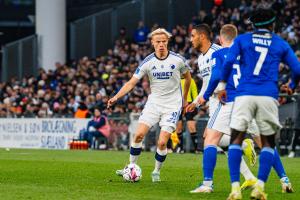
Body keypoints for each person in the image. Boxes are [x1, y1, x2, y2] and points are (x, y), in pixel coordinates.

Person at [201, 24, 294, 194]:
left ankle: (207, 184)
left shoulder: (219, 53)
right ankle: (284, 179)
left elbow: (215, 76)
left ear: (221, 39)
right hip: (251, 99)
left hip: (230, 102)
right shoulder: (248, 53)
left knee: (210, 138)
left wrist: (206, 96)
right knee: (266, 144)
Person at [218, 9, 300, 200]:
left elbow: (229, 62)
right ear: (272, 26)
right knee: (268, 144)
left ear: (253, 25)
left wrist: (222, 86)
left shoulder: (242, 40)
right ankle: (260, 188)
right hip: (268, 96)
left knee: (235, 141)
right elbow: (297, 69)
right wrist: (292, 85)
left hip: (244, 95)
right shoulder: (280, 43)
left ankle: (235, 189)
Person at [108, 28, 191, 182]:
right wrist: (116, 97)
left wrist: (184, 99)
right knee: (138, 135)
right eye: (158, 42)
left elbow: (188, 77)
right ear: (152, 43)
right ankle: (131, 167)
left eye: (164, 42)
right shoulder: (148, 62)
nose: (161, 44)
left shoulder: (178, 60)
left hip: (172, 105)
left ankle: (156, 171)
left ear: (167, 42)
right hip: (154, 103)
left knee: (162, 141)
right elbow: (132, 82)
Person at [175, 77, 199, 153]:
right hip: (177, 104)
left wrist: (195, 105)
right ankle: (180, 148)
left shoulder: (191, 80)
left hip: (188, 104)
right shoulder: (176, 79)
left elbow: (195, 92)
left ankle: (196, 149)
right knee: (178, 127)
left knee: (191, 126)